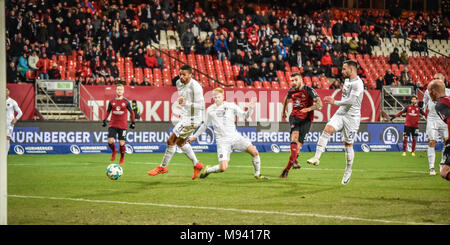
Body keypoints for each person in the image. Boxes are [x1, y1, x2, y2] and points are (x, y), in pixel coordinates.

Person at [187, 88, 267, 179]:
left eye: (218, 97)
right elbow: (204, 125)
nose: (217, 99)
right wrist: (194, 136)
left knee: (254, 152)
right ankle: (208, 170)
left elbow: (245, 116)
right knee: (223, 168)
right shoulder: (210, 110)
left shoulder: (231, 106)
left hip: (235, 137)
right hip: (222, 142)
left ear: (223, 97)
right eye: (215, 97)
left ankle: (257, 174)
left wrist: (250, 109)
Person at [306, 60, 364, 185]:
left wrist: (335, 102)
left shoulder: (358, 84)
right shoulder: (347, 81)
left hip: (352, 118)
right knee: (327, 129)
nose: (342, 71)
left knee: (348, 145)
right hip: (341, 113)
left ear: (351, 70)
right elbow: (345, 99)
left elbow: (351, 101)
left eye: (344, 69)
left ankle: (348, 170)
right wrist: (338, 105)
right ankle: (316, 158)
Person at [147, 65, 205, 180]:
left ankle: (162, 167)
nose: (181, 77)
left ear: (190, 75)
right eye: (180, 74)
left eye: (184, 74)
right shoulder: (179, 83)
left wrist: (186, 103)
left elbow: (202, 106)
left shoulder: (196, 87)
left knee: (171, 140)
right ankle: (197, 164)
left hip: (192, 119)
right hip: (185, 117)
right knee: (180, 143)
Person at [280, 73, 322, 178]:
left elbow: (319, 104)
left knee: (297, 147)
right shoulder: (291, 91)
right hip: (294, 117)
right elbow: (286, 99)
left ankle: (286, 170)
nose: (293, 82)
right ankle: (294, 161)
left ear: (301, 80)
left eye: (295, 80)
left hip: (306, 120)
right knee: (294, 136)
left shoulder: (309, 90)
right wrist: (284, 109)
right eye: (292, 80)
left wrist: (308, 109)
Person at [422, 73, 450, 175]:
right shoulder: (428, 91)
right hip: (432, 119)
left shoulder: (448, 92)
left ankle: (442, 163)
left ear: (443, 80)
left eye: (437, 78)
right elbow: (424, 104)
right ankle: (431, 168)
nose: (435, 80)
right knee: (432, 142)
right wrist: (422, 106)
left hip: (444, 120)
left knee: (447, 142)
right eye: (434, 78)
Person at [102, 83, 136, 165]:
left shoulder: (126, 102)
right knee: (110, 141)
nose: (119, 91)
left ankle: (122, 158)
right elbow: (108, 111)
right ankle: (114, 150)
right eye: (118, 89)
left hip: (122, 125)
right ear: (115, 91)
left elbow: (132, 112)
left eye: (121, 89)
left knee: (121, 143)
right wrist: (104, 120)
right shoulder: (112, 101)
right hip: (113, 124)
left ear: (123, 91)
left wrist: (133, 122)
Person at [432, 81, 450, 181]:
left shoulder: (440, 104)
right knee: (445, 171)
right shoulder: (447, 99)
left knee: (445, 172)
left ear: (434, 91)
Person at [6, 87, 23, 153]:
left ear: (9, 92)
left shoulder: (12, 102)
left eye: (7, 91)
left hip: (9, 123)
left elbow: (20, 112)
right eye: (4, 91)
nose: (5, 92)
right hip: (1, 123)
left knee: (7, 138)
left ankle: (5, 154)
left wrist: (16, 119)